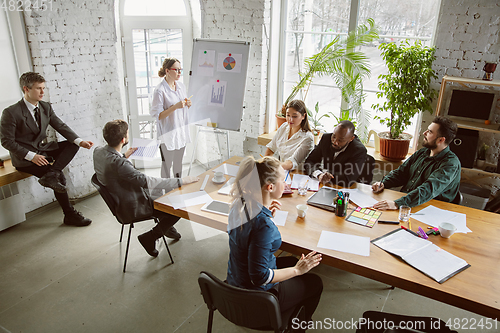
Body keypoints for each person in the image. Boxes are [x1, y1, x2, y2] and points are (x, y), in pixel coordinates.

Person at [226, 156, 323, 325]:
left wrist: (266, 213)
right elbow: (260, 276)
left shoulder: (239, 204)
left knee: (292, 260)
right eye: (283, 179)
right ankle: (297, 325)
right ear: (270, 187)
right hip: (255, 295)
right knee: (315, 282)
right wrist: (297, 271)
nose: (286, 183)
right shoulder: (263, 225)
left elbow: (249, 234)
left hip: (235, 281)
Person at [93, 120, 199, 257]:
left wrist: (124, 155)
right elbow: (147, 182)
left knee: (167, 195)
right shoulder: (120, 165)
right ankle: (152, 236)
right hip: (132, 204)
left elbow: (112, 167)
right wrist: (182, 180)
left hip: (119, 198)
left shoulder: (98, 151)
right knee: (179, 203)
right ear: (123, 139)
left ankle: (166, 227)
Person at [0, 72, 94, 226]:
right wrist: (32, 156)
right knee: (60, 179)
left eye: (44, 88)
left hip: (42, 149)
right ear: (26, 89)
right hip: (25, 157)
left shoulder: (45, 107)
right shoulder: (11, 113)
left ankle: (52, 173)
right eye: (39, 88)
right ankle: (69, 214)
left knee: (72, 144)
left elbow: (60, 126)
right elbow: (6, 141)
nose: (43, 92)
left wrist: (80, 141)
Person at [372, 116, 461, 210]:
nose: (424, 133)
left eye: (430, 132)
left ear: (441, 140)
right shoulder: (422, 152)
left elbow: (428, 190)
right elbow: (401, 173)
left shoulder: (451, 164)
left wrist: (397, 204)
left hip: (431, 210)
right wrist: (384, 183)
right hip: (409, 204)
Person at [150, 57, 192, 179]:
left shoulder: (181, 87)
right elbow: (158, 115)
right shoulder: (160, 90)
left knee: (178, 165)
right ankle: (167, 193)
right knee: (166, 166)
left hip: (180, 132)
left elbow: (182, 109)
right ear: (167, 71)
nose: (179, 72)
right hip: (167, 134)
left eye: (180, 69)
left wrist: (187, 105)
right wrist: (175, 107)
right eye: (176, 70)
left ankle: (178, 189)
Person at [304, 120, 367, 187]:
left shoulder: (359, 150)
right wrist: (319, 174)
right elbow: (309, 161)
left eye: (340, 140)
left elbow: (348, 179)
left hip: (345, 190)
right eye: (334, 137)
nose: (335, 142)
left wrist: (328, 176)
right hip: (326, 185)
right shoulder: (326, 138)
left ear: (351, 139)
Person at [265, 100, 314, 171]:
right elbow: (271, 148)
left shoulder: (308, 138)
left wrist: (274, 166)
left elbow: (292, 162)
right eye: (288, 115)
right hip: (282, 171)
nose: (290, 120)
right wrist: (265, 162)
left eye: (294, 116)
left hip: (297, 174)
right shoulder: (284, 127)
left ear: (303, 116)